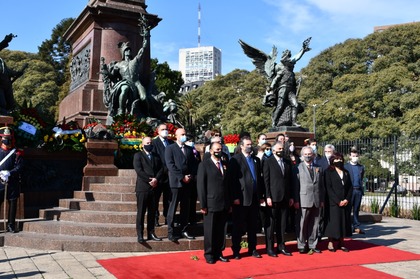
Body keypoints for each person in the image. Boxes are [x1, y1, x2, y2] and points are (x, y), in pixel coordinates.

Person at [101, 17, 150, 122]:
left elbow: (143, 50)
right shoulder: (119, 64)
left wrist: (145, 37)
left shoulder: (135, 61)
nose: (128, 52)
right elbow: (112, 75)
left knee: (144, 97)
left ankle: (147, 114)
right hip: (125, 82)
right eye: (126, 50)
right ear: (123, 53)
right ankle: (121, 111)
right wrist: (106, 72)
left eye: (129, 50)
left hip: (136, 83)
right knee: (124, 89)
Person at [229, 136, 263, 259]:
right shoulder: (235, 160)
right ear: (241, 146)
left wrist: (261, 195)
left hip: (254, 197)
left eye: (251, 144)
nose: (250, 146)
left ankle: (252, 249)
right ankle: (236, 250)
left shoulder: (256, 160)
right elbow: (232, 180)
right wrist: (234, 197)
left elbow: (259, 178)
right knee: (238, 226)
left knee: (253, 226)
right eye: (247, 145)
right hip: (241, 198)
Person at [197, 142, 231, 264]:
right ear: (211, 151)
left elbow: (227, 185)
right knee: (210, 230)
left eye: (221, 149)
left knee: (221, 230)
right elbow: (201, 186)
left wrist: (229, 202)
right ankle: (209, 253)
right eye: (217, 149)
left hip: (223, 203)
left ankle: (219, 252)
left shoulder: (225, 164)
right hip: (211, 203)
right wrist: (203, 204)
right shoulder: (204, 165)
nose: (219, 151)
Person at [165, 128, 199, 241]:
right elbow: (170, 165)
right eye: (182, 134)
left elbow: (194, 165)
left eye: (185, 134)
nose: (184, 136)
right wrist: (181, 177)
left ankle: (183, 230)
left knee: (186, 208)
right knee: (173, 207)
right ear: (176, 135)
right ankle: (171, 231)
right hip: (176, 182)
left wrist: (190, 176)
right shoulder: (170, 148)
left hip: (187, 183)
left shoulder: (189, 149)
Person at [268, 38, 311, 127]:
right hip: (283, 88)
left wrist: (302, 50)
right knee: (280, 106)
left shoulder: (292, 72)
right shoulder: (282, 70)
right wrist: (271, 87)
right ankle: (274, 122)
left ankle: (294, 122)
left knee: (295, 104)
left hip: (291, 90)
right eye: (290, 62)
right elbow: (276, 79)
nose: (292, 63)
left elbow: (296, 58)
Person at [263, 142, 294, 257]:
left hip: (285, 197)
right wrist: (267, 196)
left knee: (282, 224)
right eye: (279, 148)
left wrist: (291, 196)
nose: (281, 150)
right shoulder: (268, 161)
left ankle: (281, 246)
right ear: (274, 150)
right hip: (273, 197)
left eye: (282, 148)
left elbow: (289, 181)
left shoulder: (286, 161)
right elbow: (266, 181)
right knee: (271, 224)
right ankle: (270, 248)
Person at [293, 146, 324, 254]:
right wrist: (296, 200)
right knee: (302, 224)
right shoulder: (297, 168)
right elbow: (295, 186)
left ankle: (312, 244)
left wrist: (321, 200)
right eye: (305, 154)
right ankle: (301, 245)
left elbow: (321, 186)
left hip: (316, 199)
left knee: (315, 224)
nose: (307, 156)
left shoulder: (318, 168)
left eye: (309, 154)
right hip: (303, 199)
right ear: (302, 155)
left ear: (313, 155)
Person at [133, 137, 163, 243]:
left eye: (150, 143)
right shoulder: (138, 155)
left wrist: (156, 179)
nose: (149, 144)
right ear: (142, 144)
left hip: (154, 188)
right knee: (141, 212)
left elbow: (161, 169)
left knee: (152, 212)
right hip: (143, 187)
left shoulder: (156, 156)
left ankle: (151, 232)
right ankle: (140, 234)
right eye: (147, 143)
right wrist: (149, 180)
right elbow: (139, 170)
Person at [324, 153, 353, 252]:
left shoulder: (346, 172)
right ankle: (330, 242)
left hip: (345, 202)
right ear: (332, 160)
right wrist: (337, 201)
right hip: (333, 202)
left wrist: (346, 199)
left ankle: (341, 242)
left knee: (343, 222)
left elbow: (350, 187)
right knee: (334, 223)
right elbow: (329, 188)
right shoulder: (328, 172)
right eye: (336, 159)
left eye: (340, 159)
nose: (338, 161)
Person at [0, 127, 23, 233]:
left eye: (9, 138)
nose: (7, 140)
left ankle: (11, 225)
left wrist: (10, 173)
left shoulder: (16, 153)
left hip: (12, 181)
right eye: (5, 138)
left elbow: (19, 167)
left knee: (13, 203)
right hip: (0, 181)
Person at [152, 124, 174, 227]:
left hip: (170, 176)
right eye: (163, 129)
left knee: (168, 198)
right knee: (155, 198)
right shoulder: (154, 143)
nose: (165, 131)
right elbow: (154, 159)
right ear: (158, 131)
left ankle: (167, 217)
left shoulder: (171, 142)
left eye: (166, 129)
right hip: (159, 175)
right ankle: (155, 218)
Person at [0, 34, 28, 115]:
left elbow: (6, 71)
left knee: (10, 105)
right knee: (2, 104)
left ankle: (8, 123)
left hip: (6, 85)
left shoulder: (1, 61)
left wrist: (16, 73)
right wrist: (5, 41)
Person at [344, 148, 366, 235]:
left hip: (358, 190)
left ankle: (356, 226)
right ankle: (348, 226)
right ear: (350, 157)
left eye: (356, 156)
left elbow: (361, 178)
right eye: (353, 156)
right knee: (348, 209)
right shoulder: (346, 167)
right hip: (350, 190)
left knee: (356, 209)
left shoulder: (361, 167)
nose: (355, 157)